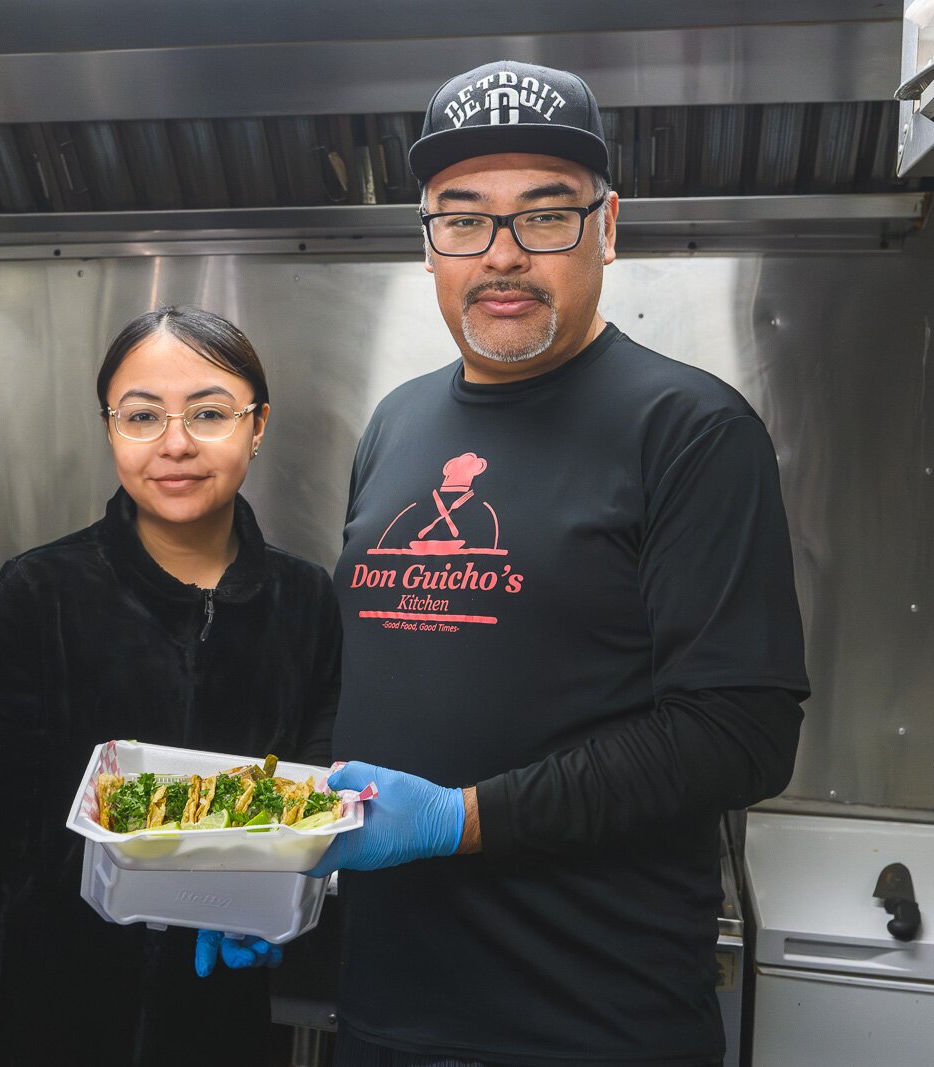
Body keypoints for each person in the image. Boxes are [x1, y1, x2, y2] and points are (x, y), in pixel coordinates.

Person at [310, 61, 810, 1067]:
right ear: (428, 242)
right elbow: (366, 686)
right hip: (381, 1005)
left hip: (588, 1023)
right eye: (463, 218)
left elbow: (740, 733)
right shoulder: (396, 421)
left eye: (544, 217)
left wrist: (459, 819)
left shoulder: (689, 431)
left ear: (608, 226)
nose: (502, 257)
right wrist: (267, 874)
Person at [0, 307, 342, 1067]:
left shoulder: (305, 602)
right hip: (45, 1019)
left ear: (258, 424)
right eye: (142, 415)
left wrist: (287, 900)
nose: (175, 443)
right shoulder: (42, 592)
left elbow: (316, 787)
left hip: (224, 1023)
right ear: (110, 426)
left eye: (209, 412)